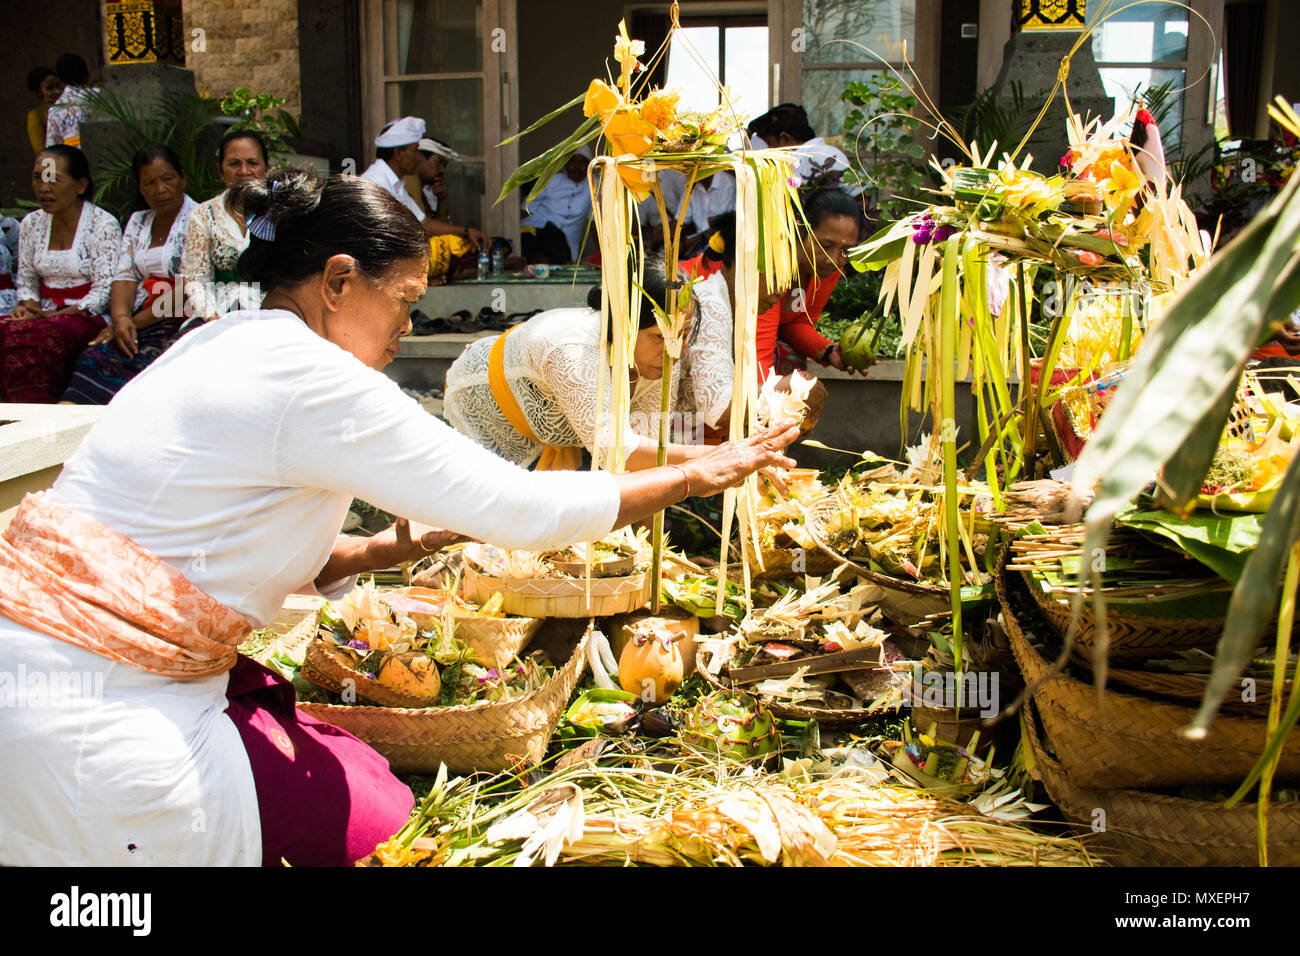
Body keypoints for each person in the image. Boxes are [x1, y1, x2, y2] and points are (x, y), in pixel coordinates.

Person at [0, 165, 799, 867]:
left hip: (46, 675)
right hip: (92, 715)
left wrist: (386, 547)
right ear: (339, 282)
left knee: (366, 774)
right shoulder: (311, 377)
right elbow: (522, 509)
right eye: (406, 300)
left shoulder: (221, 341)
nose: (409, 327)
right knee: (376, 815)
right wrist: (700, 473)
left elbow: (247, 554)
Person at [444, 258, 749, 470]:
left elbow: (648, 453)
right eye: (659, 336)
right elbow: (618, 450)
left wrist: (648, 554)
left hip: (565, 432)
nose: (676, 350)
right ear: (626, 326)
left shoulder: (665, 351)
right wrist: (721, 457)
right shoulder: (574, 350)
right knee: (500, 528)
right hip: (485, 405)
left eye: (684, 334)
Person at [62, 145, 198, 404]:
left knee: (158, 367)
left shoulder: (199, 217)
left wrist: (134, 323)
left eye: (168, 179)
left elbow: (187, 288)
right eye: (150, 183)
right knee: (95, 356)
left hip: (180, 316)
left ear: (182, 177)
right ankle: (67, 424)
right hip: (138, 314)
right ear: (140, 188)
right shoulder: (138, 221)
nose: (160, 189)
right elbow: (124, 275)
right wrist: (121, 318)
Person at [0, 145, 120, 403]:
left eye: (53, 179)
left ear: (80, 185)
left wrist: (55, 316)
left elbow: (104, 292)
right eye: (38, 178)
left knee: (41, 335)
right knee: (8, 329)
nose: (44, 187)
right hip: (42, 314)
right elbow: (27, 282)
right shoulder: (31, 223)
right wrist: (27, 307)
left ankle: (38, 414)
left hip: (86, 315)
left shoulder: (103, 223)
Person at [360, 117, 486, 278]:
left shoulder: (395, 183)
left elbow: (424, 223)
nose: (419, 157)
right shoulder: (376, 182)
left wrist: (467, 231)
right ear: (398, 153)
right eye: (415, 150)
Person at [181, 129, 270, 321]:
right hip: (218, 313)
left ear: (267, 169)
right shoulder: (204, 214)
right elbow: (196, 280)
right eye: (234, 164)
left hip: (273, 313)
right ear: (221, 171)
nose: (244, 171)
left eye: (253, 163)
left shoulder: (281, 212)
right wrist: (213, 319)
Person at [746, 103, 858, 193]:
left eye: (770, 144)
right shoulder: (804, 158)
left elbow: (857, 195)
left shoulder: (823, 154)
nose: (770, 149)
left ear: (784, 138)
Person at [521, 146, 594, 263]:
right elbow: (525, 210)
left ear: (589, 165)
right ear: (565, 163)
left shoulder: (595, 186)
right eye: (572, 161)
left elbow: (597, 222)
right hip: (536, 239)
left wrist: (601, 254)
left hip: (567, 251)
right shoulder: (550, 180)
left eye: (582, 162)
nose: (576, 167)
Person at [638, 169, 735, 253]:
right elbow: (678, 223)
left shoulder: (730, 184)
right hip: (701, 248)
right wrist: (653, 240)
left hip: (724, 247)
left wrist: (688, 242)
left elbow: (728, 224)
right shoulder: (692, 187)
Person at [45, 53, 96, 148]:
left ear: (61, 79)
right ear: (87, 74)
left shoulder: (55, 110)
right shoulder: (100, 97)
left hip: (72, 159)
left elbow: (52, 148)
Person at [26, 66, 63, 153]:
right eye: (49, 88)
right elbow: (41, 151)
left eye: (58, 86)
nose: (56, 91)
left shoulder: (69, 109)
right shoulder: (36, 116)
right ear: (38, 93)